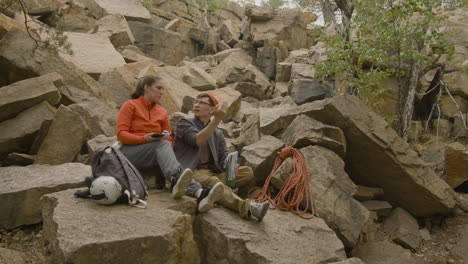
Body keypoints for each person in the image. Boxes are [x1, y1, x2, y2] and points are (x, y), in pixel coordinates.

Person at [116, 75, 223, 212]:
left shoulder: (162, 111)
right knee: (162, 145)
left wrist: (164, 146)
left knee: (164, 143)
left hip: (153, 154)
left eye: (163, 89)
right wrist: (144, 139)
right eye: (158, 88)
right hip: (128, 153)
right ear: (146, 88)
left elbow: (168, 138)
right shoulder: (130, 105)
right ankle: (179, 182)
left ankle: (199, 193)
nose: (162, 92)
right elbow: (121, 135)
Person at [173, 93, 270, 222]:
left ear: (212, 110)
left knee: (247, 172)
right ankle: (248, 208)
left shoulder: (217, 133)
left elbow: (223, 155)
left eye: (202, 103)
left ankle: (224, 195)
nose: (196, 105)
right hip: (192, 171)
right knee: (214, 182)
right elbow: (198, 140)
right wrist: (217, 120)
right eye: (195, 102)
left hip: (213, 171)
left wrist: (230, 165)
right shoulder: (184, 123)